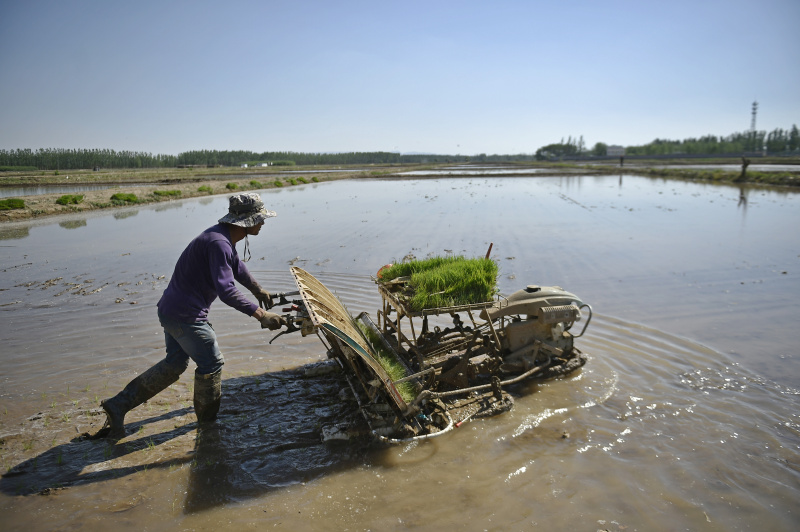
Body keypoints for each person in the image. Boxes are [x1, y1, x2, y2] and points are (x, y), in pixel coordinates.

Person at [96, 192, 284, 439]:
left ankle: (118, 405)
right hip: (186, 316)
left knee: (175, 363)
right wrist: (261, 315)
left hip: (171, 310)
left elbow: (236, 265)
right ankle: (208, 427)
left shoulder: (222, 236)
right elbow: (226, 290)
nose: (263, 222)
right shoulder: (219, 243)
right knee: (212, 363)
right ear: (247, 221)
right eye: (260, 218)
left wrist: (257, 289)